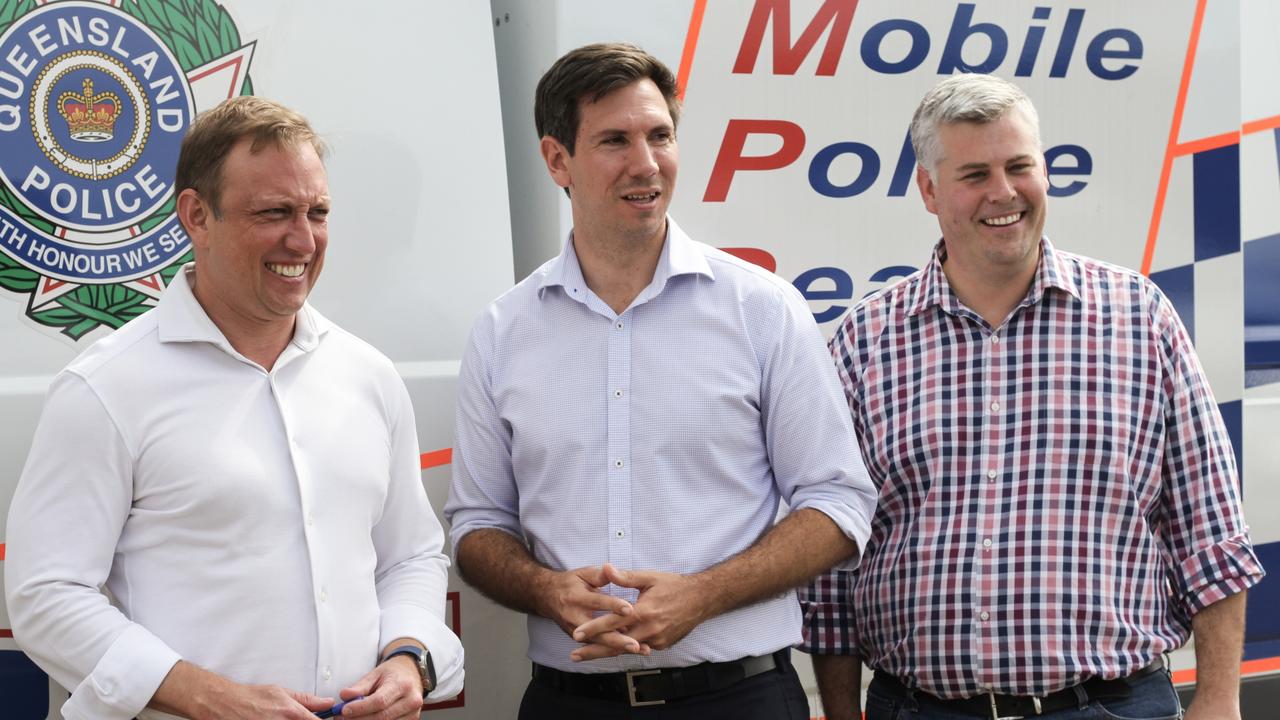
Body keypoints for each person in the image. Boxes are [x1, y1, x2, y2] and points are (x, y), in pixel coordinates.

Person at [801, 73, 1265, 720]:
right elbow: (834, 562)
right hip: (920, 709)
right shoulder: (866, 341)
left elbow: (1208, 531)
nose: (1003, 192)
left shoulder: (1138, 318)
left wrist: (1219, 698)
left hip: (1108, 706)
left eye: (1020, 166)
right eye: (974, 175)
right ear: (930, 190)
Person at [444, 43, 877, 719]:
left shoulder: (760, 308)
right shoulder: (504, 331)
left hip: (742, 698)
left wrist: (703, 595)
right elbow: (478, 526)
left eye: (661, 136)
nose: (646, 165)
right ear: (557, 159)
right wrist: (546, 590)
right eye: (615, 140)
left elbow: (838, 502)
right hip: (570, 704)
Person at [4, 96, 463, 720]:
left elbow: (410, 556)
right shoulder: (107, 387)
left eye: (317, 212)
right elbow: (45, 595)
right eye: (274, 212)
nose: (302, 240)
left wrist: (411, 657)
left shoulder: (369, 376)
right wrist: (205, 696)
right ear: (196, 216)